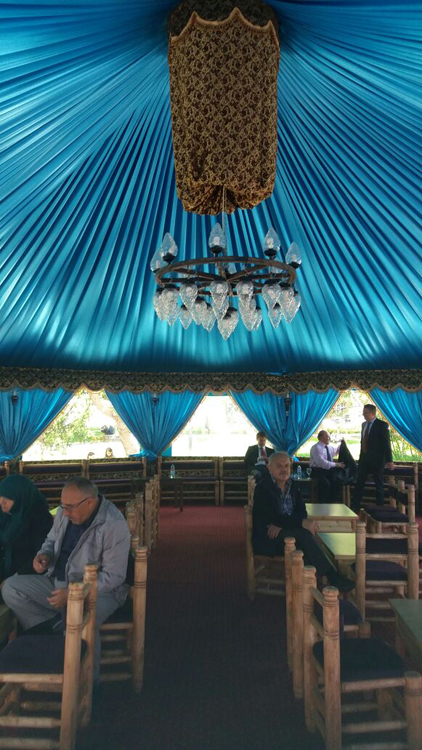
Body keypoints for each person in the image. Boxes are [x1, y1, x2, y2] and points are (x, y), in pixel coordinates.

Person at [1, 476, 130, 682]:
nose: (65, 512)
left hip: (100, 592)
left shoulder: (113, 524)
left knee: (77, 614)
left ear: (90, 502)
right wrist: (44, 556)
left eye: (70, 507)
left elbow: (114, 577)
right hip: (57, 582)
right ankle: (53, 630)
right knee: (11, 588)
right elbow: (50, 541)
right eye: (62, 506)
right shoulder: (64, 513)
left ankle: (88, 682)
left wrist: (72, 594)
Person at [252, 452, 355, 592]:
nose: (284, 469)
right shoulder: (263, 488)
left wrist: (284, 524)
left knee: (307, 536)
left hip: (285, 533)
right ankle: (331, 578)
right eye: (279, 466)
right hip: (268, 538)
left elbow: (301, 512)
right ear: (269, 468)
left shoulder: (293, 485)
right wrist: (299, 522)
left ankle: (309, 583)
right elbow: (271, 517)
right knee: (305, 535)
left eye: (287, 466)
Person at [0, 475, 53, 581]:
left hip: (26, 574)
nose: (1, 502)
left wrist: (14, 577)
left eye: (7, 498)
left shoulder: (40, 518)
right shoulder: (5, 516)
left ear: (20, 496)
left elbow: (41, 555)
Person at [352, 404, 394, 512]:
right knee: (359, 483)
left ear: (373, 414)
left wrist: (389, 460)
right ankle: (355, 507)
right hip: (364, 460)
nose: (363, 415)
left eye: (365, 413)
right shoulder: (363, 425)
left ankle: (380, 508)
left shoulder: (382, 425)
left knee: (378, 485)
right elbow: (363, 442)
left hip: (377, 461)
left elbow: (386, 443)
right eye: (363, 412)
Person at [309, 430, 345, 503]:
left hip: (328, 471)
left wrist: (342, 444)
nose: (329, 438)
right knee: (325, 484)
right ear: (321, 438)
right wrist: (336, 464)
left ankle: (331, 502)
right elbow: (321, 463)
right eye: (327, 436)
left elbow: (335, 452)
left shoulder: (330, 447)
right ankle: (322, 503)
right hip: (317, 471)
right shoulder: (316, 448)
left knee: (337, 481)